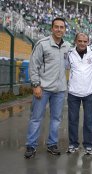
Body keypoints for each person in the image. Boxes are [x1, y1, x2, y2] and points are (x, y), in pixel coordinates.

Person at [24, 17, 71, 158]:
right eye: (56, 27)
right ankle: (31, 146)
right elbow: (33, 66)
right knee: (36, 118)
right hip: (43, 89)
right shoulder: (42, 44)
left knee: (56, 119)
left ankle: (52, 144)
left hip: (59, 90)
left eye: (61, 27)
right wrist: (36, 85)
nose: (59, 29)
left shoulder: (67, 46)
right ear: (52, 28)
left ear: (64, 29)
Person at [65, 33, 92, 155]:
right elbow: (65, 67)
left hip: (89, 92)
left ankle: (88, 145)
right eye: (80, 41)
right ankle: (73, 144)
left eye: (85, 41)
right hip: (73, 92)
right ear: (75, 41)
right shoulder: (69, 53)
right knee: (73, 119)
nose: (82, 43)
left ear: (88, 42)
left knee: (89, 120)